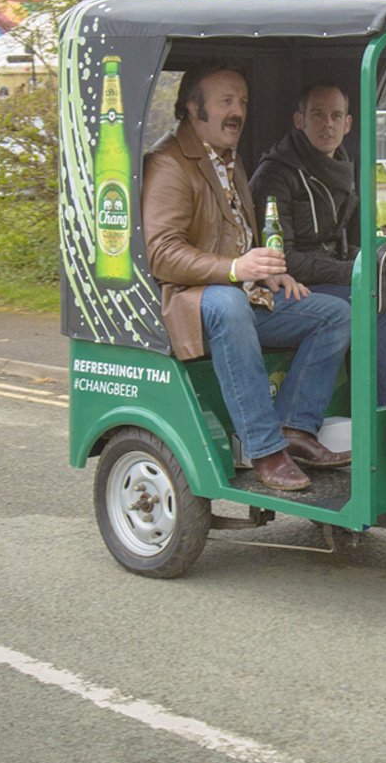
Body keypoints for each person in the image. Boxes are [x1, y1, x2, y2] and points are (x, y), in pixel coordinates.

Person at [142, 61, 353, 492]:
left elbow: (241, 238)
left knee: (335, 312)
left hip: (241, 293)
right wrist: (237, 271)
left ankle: (295, 427)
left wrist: (270, 275)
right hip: (192, 300)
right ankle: (264, 448)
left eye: (241, 102)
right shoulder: (168, 163)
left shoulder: (228, 159)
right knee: (229, 301)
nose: (237, 111)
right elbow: (162, 254)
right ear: (193, 108)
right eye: (225, 102)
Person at [251, 83, 386, 406]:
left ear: (348, 124)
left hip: (333, 276)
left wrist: (379, 263)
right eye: (318, 115)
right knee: (384, 306)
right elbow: (284, 260)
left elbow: (350, 243)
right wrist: (355, 271)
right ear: (299, 120)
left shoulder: (343, 166)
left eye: (335, 116)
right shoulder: (275, 175)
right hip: (293, 285)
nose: (327, 124)